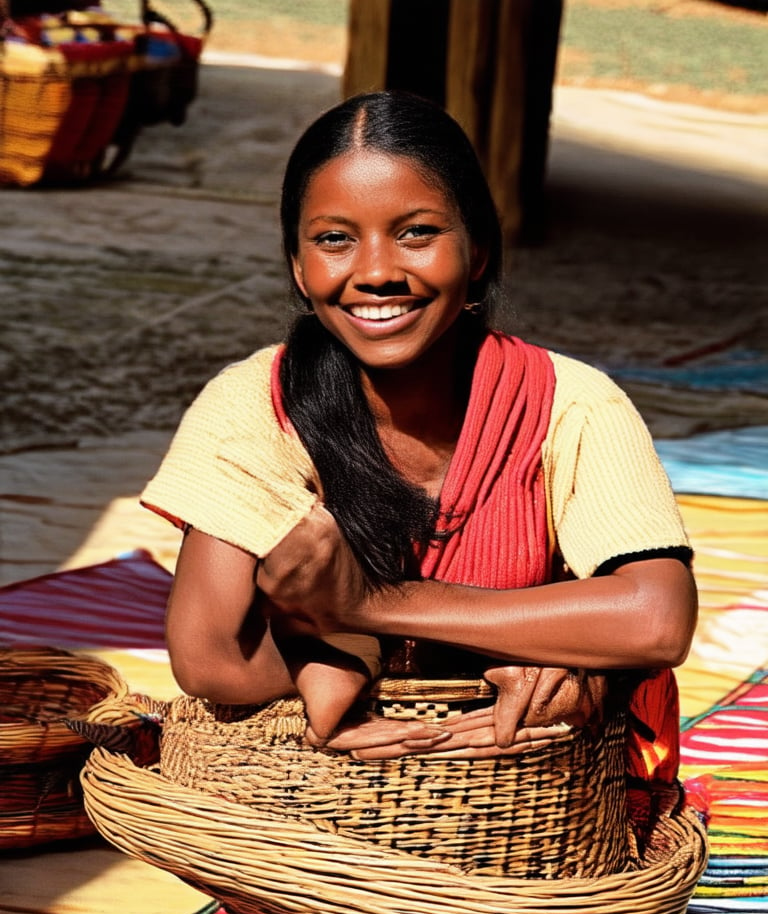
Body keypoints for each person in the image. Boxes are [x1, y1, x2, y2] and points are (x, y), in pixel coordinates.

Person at [141, 90, 696, 787]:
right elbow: (210, 657)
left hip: (522, 807)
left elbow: (655, 619)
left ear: (480, 252)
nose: (376, 271)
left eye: (416, 233)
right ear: (297, 266)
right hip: (315, 813)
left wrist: (370, 603)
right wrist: (335, 657)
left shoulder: (573, 403)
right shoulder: (256, 404)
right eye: (335, 239)